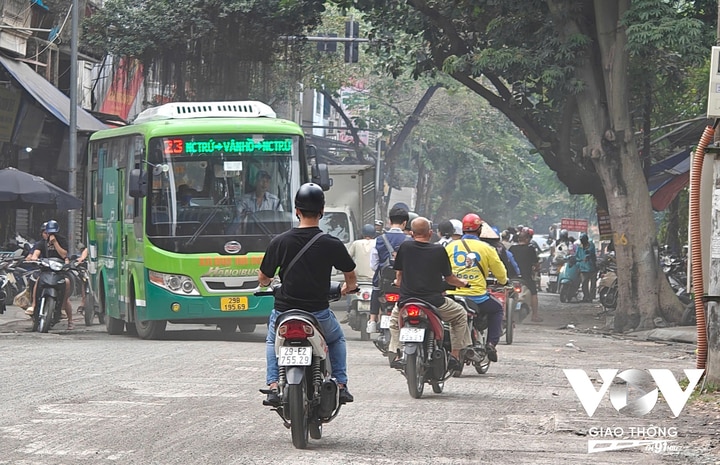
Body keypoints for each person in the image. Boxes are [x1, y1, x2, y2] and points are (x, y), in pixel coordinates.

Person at [258, 183, 357, 406]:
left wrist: (270, 282)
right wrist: (346, 289)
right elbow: (351, 276)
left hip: (285, 312)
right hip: (317, 313)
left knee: (272, 340)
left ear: (297, 211)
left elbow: (263, 279)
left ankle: (273, 384)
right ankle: (340, 384)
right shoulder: (331, 243)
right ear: (322, 211)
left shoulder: (279, 242)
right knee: (337, 338)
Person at [388, 216, 482, 368]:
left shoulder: (405, 247)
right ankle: (455, 355)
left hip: (407, 301)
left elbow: (399, 275)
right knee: (460, 315)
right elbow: (450, 278)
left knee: (393, 323)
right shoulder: (438, 250)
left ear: (412, 233)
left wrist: (398, 283)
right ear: (430, 233)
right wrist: (463, 283)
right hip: (434, 302)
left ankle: (397, 353)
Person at [445, 213, 508, 362]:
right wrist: (503, 281)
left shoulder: (450, 246)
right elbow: (500, 273)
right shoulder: (487, 248)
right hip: (477, 297)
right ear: (479, 230)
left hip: (452, 295)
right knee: (497, 309)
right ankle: (491, 343)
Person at [366, 206, 412, 333]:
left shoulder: (379, 240)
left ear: (389, 222)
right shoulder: (409, 241)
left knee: (375, 289)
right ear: (405, 223)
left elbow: (374, 265)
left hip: (383, 281)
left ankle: (372, 321)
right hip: (403, 282)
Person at [28, 219, 74, 329]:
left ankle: (64, 311)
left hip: (59, 272)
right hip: (45, 271)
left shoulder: (61, 241)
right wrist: (34, 259)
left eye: (53, 233)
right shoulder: (41, 243)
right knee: (37, 281)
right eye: (48, 233)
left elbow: (64, 255)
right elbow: (35, 254)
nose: (49, 235)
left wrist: (55, 243)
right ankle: (34, 305)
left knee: (66, 283)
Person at [342, 224, 376, 323]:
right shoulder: (378, 243)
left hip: (358, 279)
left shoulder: (356, 243)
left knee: (349, 288)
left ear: (362, 233)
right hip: (373, 279)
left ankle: (348, 310)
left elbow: (347, 258)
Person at [509, 230, 543, 322]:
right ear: (527, 239)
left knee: (507, 292)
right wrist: (536, 267)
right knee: (534, 293)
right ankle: (535, 315)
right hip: (526, 277)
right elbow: (535, 263)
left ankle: (505, 314)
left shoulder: (512, 248)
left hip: (512, 277)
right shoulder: (530, 249)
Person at [575, 233, 597, 302]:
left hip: (592, 267)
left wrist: (588, 256)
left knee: (593, 284)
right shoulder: (579, 247)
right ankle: (586, 296)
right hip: (583, 268)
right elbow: (577, 256)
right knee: (584, 284)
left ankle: (591, 297)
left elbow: (591, 253)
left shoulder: (591, 245)